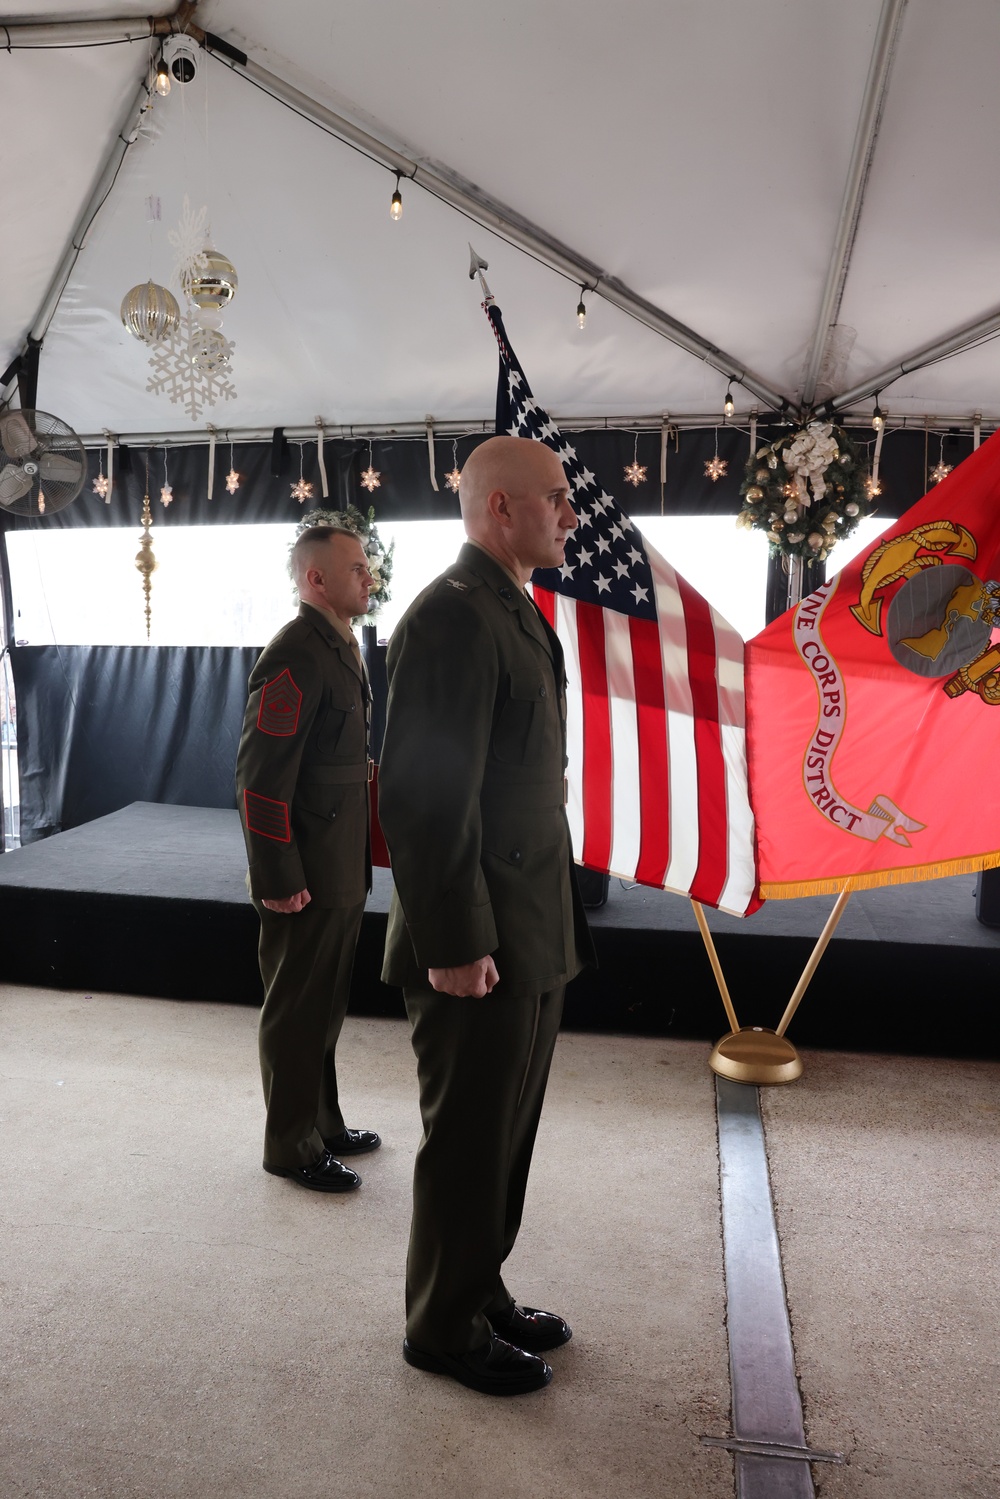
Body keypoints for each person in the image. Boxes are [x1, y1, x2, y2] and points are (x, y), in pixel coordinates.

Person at [378, 435, 596, 1395]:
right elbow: (426, 800)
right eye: (555, 497)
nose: (570, 515)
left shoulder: (509, 607)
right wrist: (458, 944)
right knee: (469, 1138)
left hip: (529, 924)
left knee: (506, 1134)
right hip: (478, 935)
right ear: (500, 506)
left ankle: (479, 1286)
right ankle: (442, 1328)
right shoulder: (451, 617)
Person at [236, 525, 382, 1193]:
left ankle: (321, 1123)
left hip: (339, 863)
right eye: (356, 568)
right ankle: (290, 1146)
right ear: (315, 578)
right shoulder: (296, 652)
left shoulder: (338, 643)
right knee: (296, 1009)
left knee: (323, 1006)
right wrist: (278, 874)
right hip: (305, 872)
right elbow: (260, 778)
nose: (370, 577)